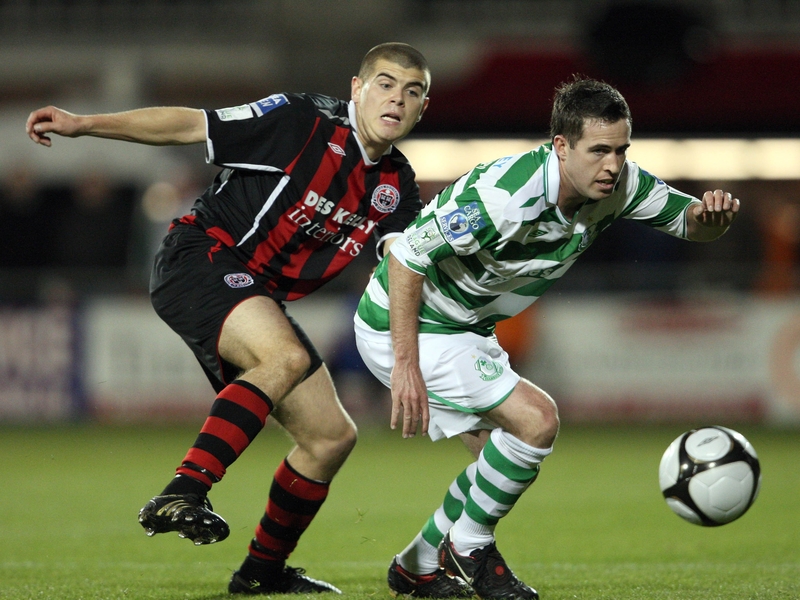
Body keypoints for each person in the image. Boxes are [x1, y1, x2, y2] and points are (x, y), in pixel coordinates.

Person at [27, 42, 431, 596]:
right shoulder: (300, 120)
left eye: (412, 92)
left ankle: (261, 574)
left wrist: (423, 353)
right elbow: (190, 125)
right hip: (201, 256)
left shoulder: (397, 187)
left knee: (331, 437)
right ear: (357, 89)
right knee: (282, 357)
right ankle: (184, 489)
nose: (397, 99)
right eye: (385, 84)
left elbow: (407, 269)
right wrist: (85, 124)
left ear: (422, 108)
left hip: (257, 291)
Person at [353, 75, 741, 600]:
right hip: (412, 323)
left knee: (497, 455)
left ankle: (417, 566)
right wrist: (405, 365)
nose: (613, 164)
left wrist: (711, 219)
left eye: (622, 150)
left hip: (464, 329)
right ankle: (468, 548)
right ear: (561, 146)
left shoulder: (621, 185)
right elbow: (404, 259)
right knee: (536, 421)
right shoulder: (502, 197)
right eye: (599, 150)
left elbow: (690, 224)